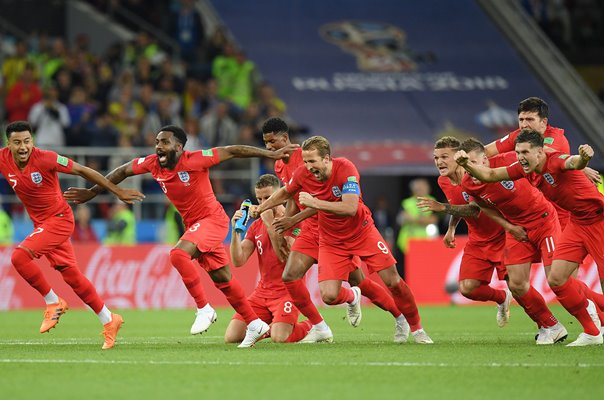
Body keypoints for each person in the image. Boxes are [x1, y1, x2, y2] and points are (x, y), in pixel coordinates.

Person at [64, 125, 299, 348]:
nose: (158, 147)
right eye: (157, 142)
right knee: (223, 279)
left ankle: (204, 309)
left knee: (177, 254)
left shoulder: (195, 159)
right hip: (195, 225)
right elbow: (123, 170)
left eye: (164, 142)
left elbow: (233, 150)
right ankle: (255, 323)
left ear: (179, 147)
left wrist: (271, 154)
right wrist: (94, 192)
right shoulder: (152, 164)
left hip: (212, 220)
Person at [252, 135, 433, 344]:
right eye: (305, 161)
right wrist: (262, 208)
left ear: (327, 159)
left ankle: (415, 327)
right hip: (330, 239)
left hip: (361, 232)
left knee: (393, 281)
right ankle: (331, 317)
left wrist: (314, 203)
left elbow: (349, 208)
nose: (308, 167)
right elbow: (285, 192)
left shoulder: (346, 169)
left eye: (313, 161)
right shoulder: (300, 172)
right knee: (328, 295)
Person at [0, 121, 145, 349]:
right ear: (8, 144)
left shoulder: (46, 158)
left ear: (33, 141)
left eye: (27, 141)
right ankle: (109, 319)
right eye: (17, 142)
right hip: (42, 224)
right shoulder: (3, 159)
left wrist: (117, 191)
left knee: (19, 257)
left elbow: (82, 170)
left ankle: (52, 301)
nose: (23, 147)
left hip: (59, 220)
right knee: (72, 277)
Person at [455, 130, 604, 346]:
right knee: (556, 279)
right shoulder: (523, 168)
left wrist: (584, 158)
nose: (520, 156)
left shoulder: (554, 161)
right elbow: (490, 176)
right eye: (517, 152)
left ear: (540, 152)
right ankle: (590, 332)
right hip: (576, 222)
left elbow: (572, 162)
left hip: (596, 220)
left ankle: (595, 312)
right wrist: (467, 166)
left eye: (525, 152)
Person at [416, 137, 512, 327]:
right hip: (478, 240)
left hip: (503, 235)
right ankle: (502, 298)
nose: (439, 162)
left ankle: (548, 326)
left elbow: (474, 209)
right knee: (467, 288)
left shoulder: (473, 175)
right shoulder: (443, 181)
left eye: (445, 156)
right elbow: (456, 204)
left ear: (459, 156)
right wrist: (451, 228)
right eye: (436, 158)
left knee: (518, 286)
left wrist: (442, 208)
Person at [225, 174, 312, 344]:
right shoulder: (257, 225)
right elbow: (238, 260)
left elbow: (286, 258)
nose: (263, 203)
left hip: (288, 292)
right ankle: (267, 329)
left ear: (281, 194)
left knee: (280, 338)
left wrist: (269, 223)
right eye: (259, 199)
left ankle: (310, 325)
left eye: (268, 197)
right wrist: (236, 232)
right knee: (232, 337)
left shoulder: (294, 220)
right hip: (262, 293)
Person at [395, 178, 439, 278]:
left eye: (423, 187)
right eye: (418, 188)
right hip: (407, 242)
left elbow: (434, 219)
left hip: (427, 242)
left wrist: (414, 219)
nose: (421, 190)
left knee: (425, 270)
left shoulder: (433, 201)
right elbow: (402, 218)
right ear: (413, 190)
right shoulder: (406, 203)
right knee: (406, 271)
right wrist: (422, 220)